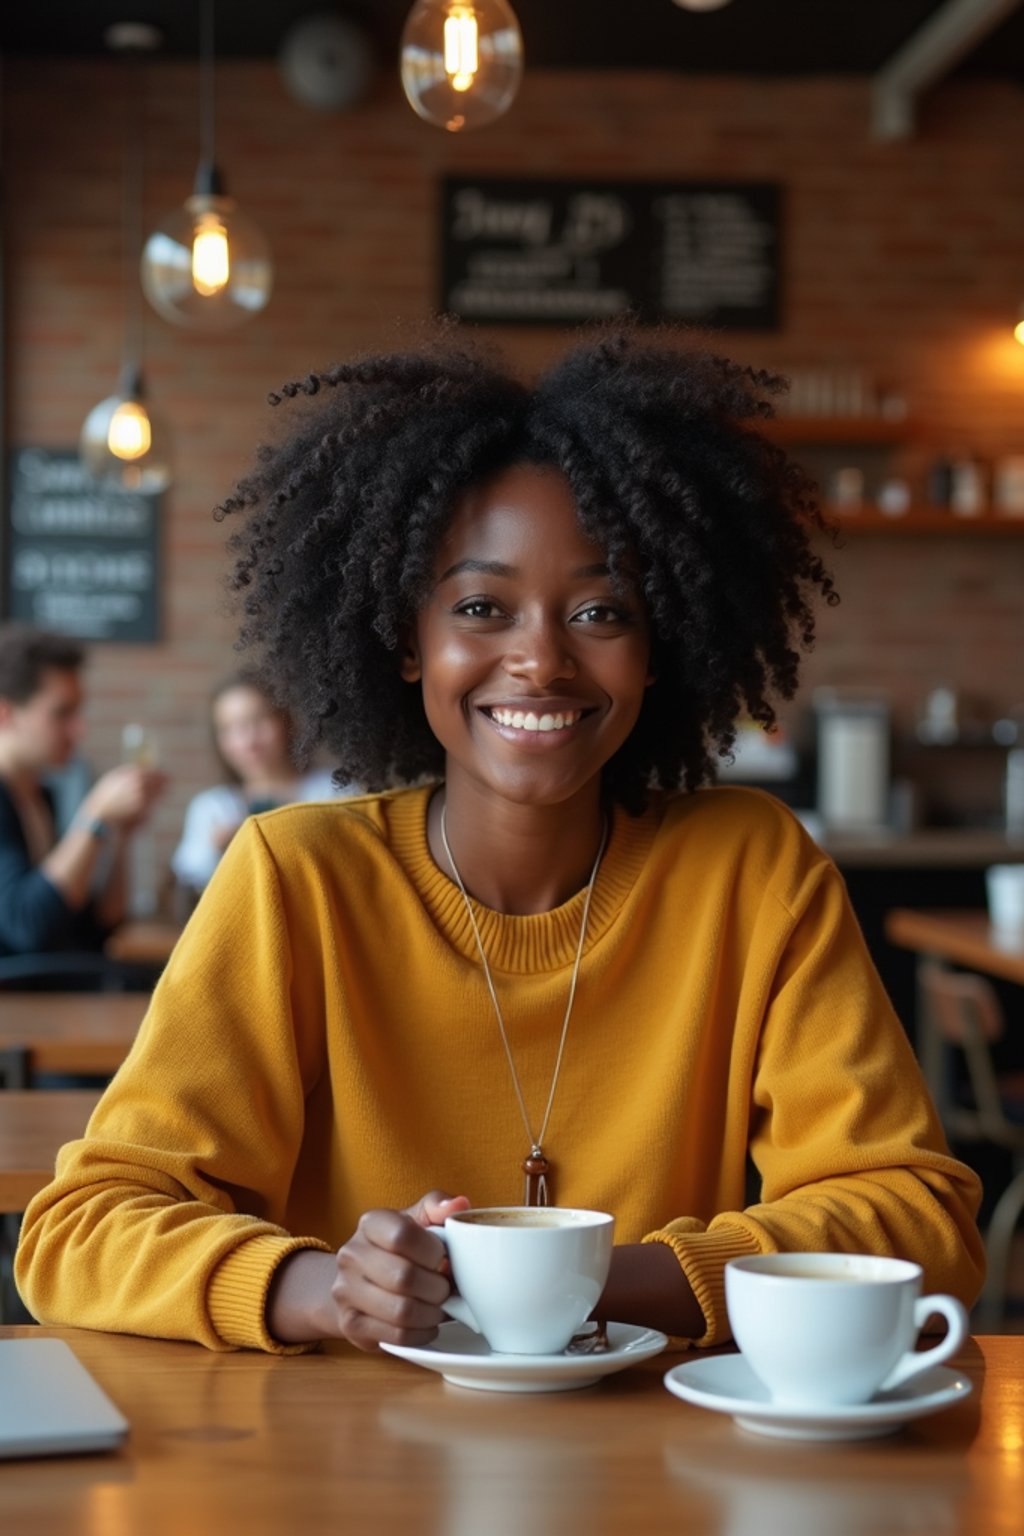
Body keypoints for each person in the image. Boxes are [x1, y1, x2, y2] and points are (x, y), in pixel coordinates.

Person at [16, 330, 985, 1354]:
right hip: (338, 1474)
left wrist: (581, 1280)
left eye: (601, 610)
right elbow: (76, 1234)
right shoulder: (295, 879)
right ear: (404, 640)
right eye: (481, 607)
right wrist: (319, 1289)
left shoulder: (751, 872)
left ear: (661, 648)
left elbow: (918, 1219)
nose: (539, 659)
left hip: (659, 1472)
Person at [0, 624, 166, 960]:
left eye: (78, 712)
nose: (79, 729)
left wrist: (121, 835)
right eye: (62, 713)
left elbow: (96, 928)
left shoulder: (40, 796)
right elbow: (27, 928)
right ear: (5, 715)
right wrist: (93, 815)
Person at [170, 669, 356, 910]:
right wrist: (216, 850)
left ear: (286, 721)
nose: (248, 741)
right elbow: (186, 892)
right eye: (230, 729)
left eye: (259, 721)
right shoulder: (212, 807)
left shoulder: (334, 790)